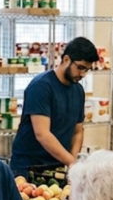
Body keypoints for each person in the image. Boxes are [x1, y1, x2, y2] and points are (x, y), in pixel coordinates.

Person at [8, 37, 99, 178]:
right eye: (80, 68)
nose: (83, 74)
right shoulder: (41, 87)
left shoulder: (78, 90)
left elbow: (78, 132)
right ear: (67, 59)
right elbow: (42, 134)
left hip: (58, 167)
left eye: (87, 70)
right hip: (28, 168)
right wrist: (71, 163)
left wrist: (72, 161)